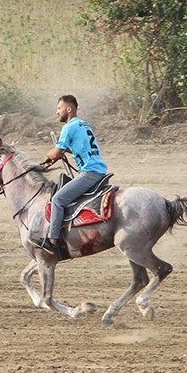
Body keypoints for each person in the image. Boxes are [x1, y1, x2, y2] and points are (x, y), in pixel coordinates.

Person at [35, 95, 107, 258]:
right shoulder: (84, 124)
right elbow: (79, 147)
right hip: (98, 170)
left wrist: (49, 156)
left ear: (69, 109)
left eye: (59, 108)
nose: (57, 111)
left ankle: (52, 241)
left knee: (58, 200)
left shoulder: (69, 127)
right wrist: (67, 151)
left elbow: (55, 152)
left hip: (90, 172)